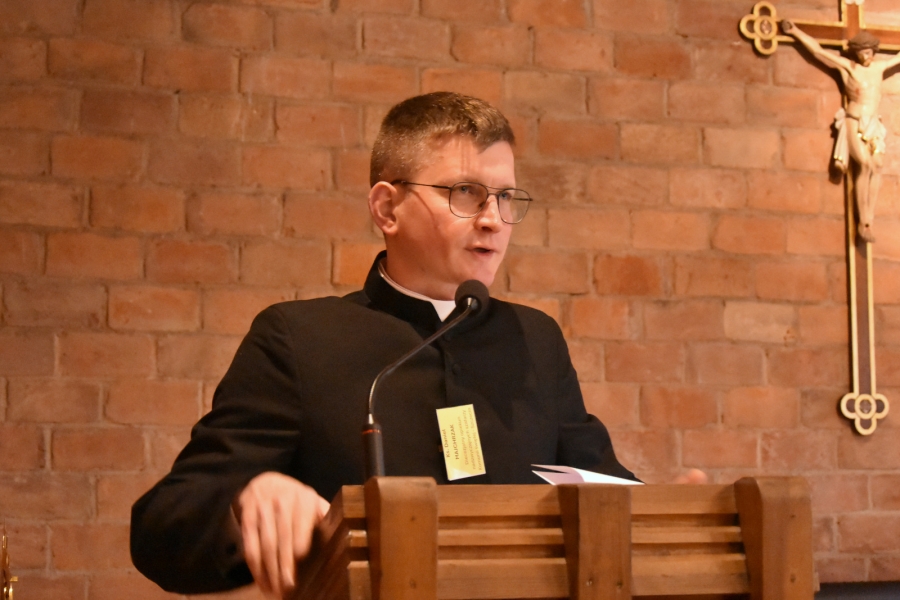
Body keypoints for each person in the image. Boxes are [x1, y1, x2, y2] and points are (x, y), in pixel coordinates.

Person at [131, 92, 671, 598]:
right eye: (465, 193)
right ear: (387, 208)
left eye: (506, 197)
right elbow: (162, 524)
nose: (493, 220)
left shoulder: (535, 339)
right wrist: (244, 502)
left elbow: (603, 488)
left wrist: (673, 517)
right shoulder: (299, 340)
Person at [782, 21, 900, 243]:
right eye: (862, 53)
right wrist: (795, 31)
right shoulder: (849, 68)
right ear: (856, 53)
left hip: (873, 123)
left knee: (877, 165)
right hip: (854, 120)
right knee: (864, 164)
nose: (866, 57)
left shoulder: (879, 68)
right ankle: (863, 221)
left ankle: (870, 219)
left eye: (869, 52)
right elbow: (818, 51)